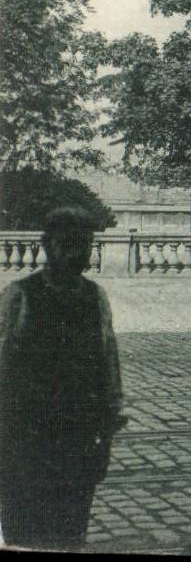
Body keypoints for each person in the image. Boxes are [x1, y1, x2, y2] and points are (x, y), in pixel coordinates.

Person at [0, 207, 126, 550]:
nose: (75, 253)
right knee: (24, 531)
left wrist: (107, 433)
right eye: (67, 243)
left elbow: (108, 366)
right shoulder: (18, 296)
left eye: (83, 245)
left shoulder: (95, 298)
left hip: (78, 440)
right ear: (46, 245)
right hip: (26, 440)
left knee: (71, 532)